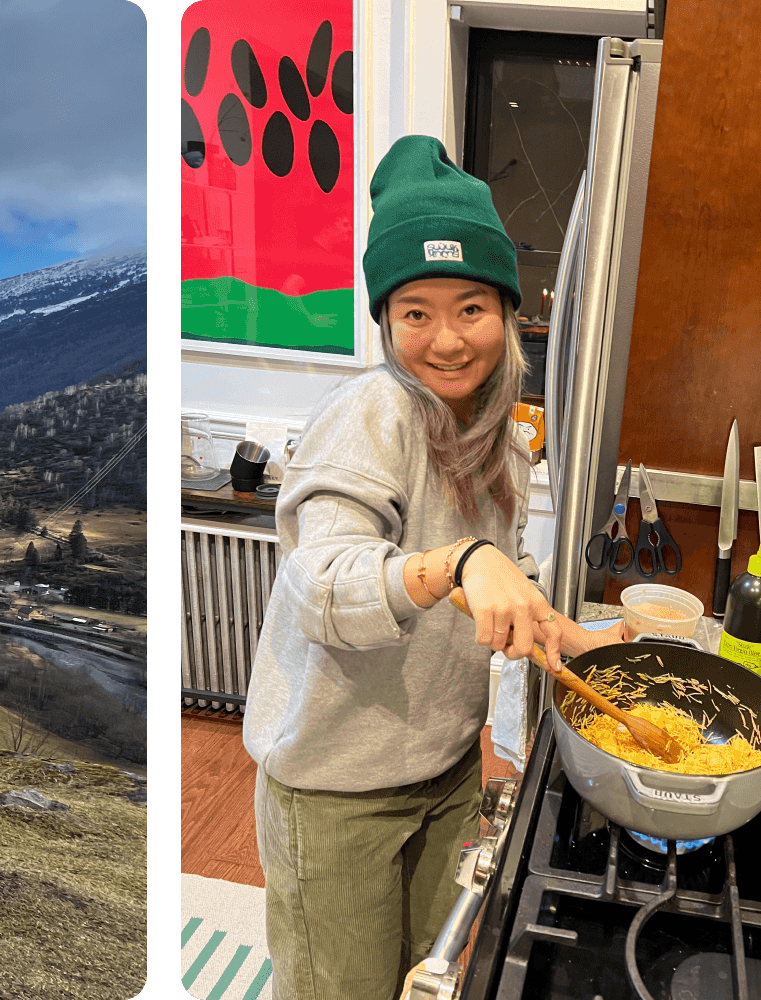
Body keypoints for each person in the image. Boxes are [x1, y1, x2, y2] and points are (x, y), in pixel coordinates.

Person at [242, 135, 634, 998]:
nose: (447, 340)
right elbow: (321, 586)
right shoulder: (370, 413)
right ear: (385, 321)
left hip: (445, 769)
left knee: (426, 971)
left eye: (470, 308)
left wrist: (560, 625)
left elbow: (504, 573)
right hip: (335, 786)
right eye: (415, 312)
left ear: (509, 310)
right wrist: (460, 562)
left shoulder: (502, 441)